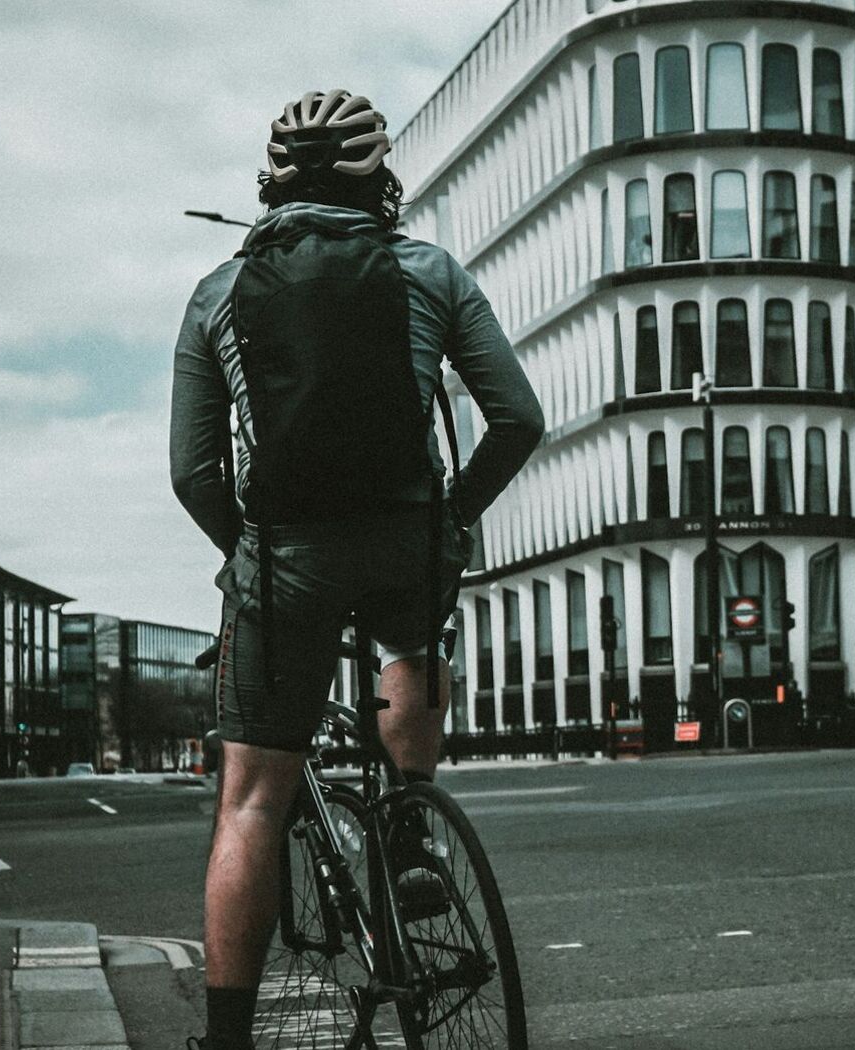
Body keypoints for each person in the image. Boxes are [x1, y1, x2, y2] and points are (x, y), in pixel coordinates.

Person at [170, 89, 543, 1050]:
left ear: (272, 179)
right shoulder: (430, 272)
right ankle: (412, 829)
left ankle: (225, 1039)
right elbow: (518, 418)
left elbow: (193, 470)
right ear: (380, 176)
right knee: (412, 642)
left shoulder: (217, 292)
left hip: (284, 556)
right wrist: (451, 518)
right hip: (406, 540)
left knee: (252, 796)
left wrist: (247, 552)